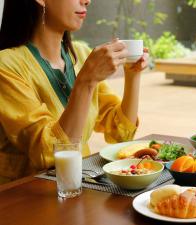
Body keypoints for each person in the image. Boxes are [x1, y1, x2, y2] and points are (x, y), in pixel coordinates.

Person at [0, 0, 149, 183]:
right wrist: (85, 82)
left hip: (80, 188)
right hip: (26, 200)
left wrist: (132, 75)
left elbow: (120, 132)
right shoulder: (5, 65)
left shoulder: (81, 54)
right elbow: (50, 154)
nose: (87, 0)